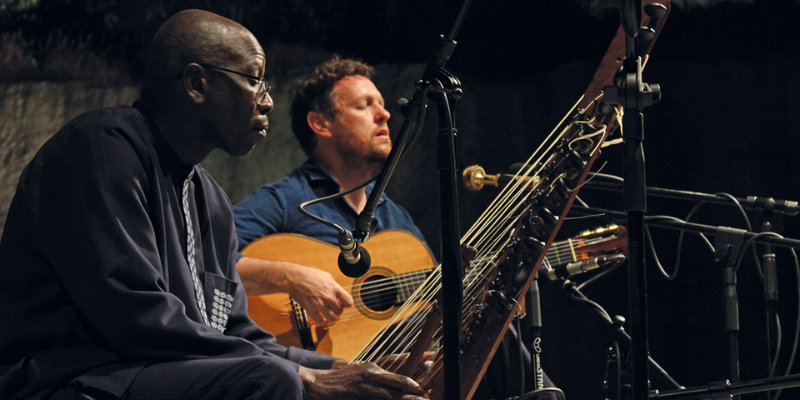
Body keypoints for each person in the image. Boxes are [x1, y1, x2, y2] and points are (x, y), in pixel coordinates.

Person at [0, 11, 427, 400]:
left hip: (155, 373)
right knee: (273, 381)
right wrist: (306, 379)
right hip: (70, 378)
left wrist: (345, 369)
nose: (267, 101)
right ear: (197, 83)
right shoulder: (100, 147)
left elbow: (236, 332)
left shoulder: (209, 198)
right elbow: (137, 318)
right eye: (255, 80)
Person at [232, 56, 557, 400]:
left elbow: (433, 302)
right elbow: (211, 263)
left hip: (395, 362)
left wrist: (484, 294)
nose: (385, 114)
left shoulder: (395, 218)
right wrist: (291, 277)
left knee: (492, 327)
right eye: (363, 105)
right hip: (327, 370)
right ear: (320, 123)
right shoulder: (286, 199)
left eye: (382, 105)